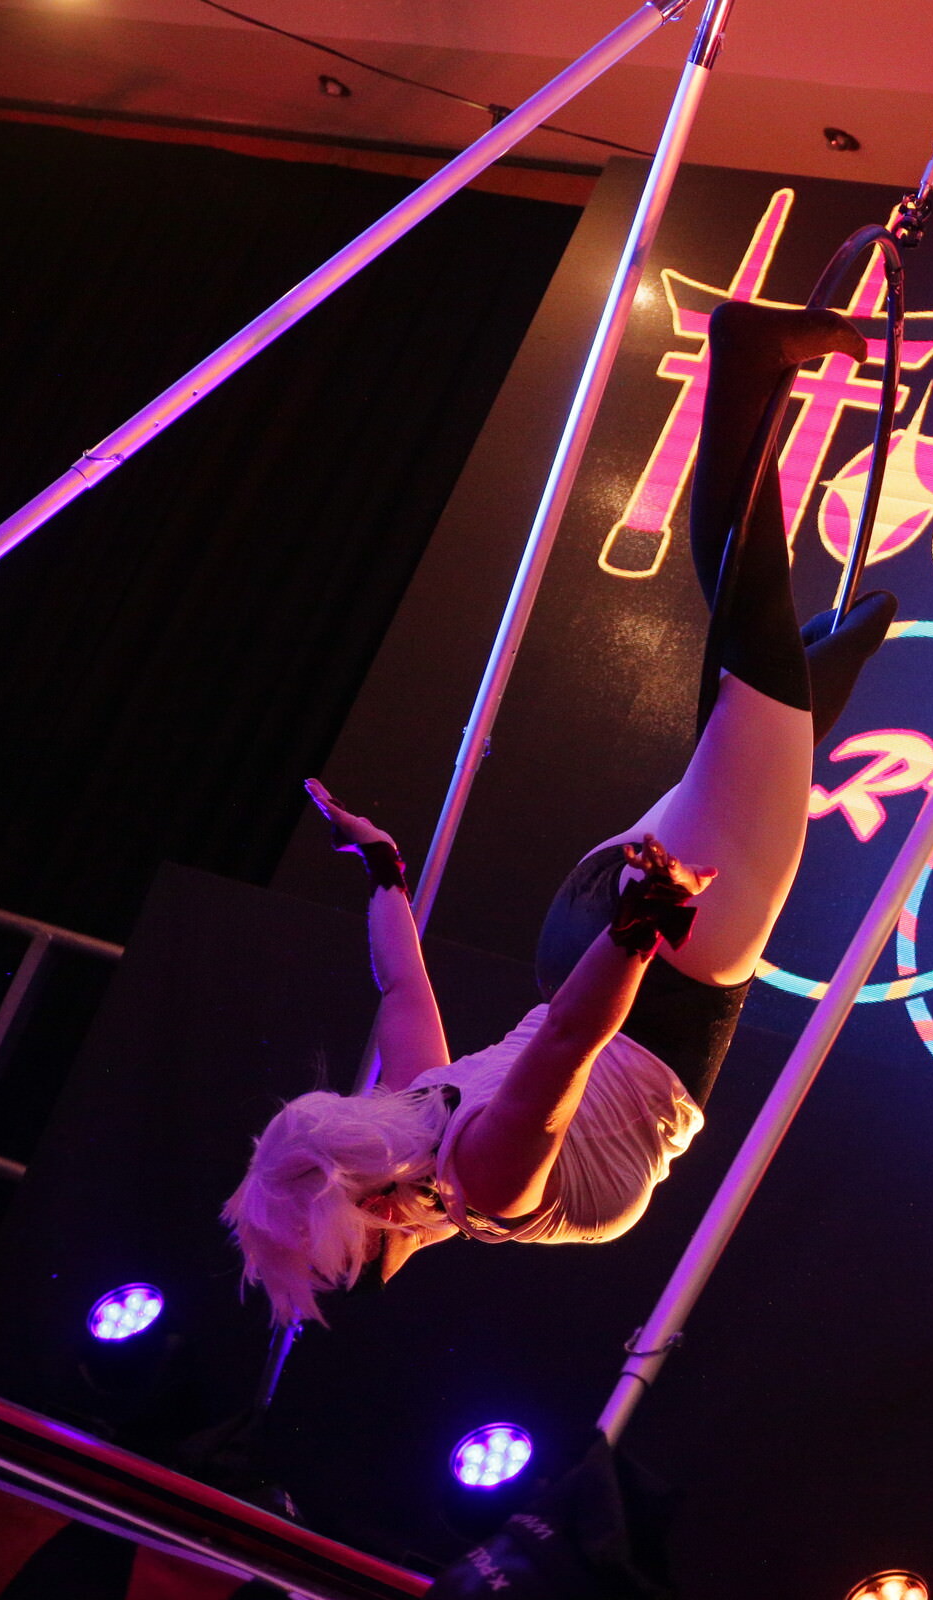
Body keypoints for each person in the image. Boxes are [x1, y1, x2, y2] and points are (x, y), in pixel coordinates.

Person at [224, 303, 898, 1326]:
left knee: (753, 668)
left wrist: (640, 930)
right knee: (762, 717)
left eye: (377, 1239)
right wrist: (385, 872)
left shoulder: (485, 1182)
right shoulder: (425, 1102)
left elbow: (568, 1049)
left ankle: (748, 366)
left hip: (659, 962)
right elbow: (402, 983)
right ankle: (813, 677)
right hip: (580, 931)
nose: (396, 1246)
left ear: (388, 1206)